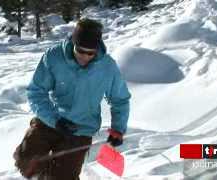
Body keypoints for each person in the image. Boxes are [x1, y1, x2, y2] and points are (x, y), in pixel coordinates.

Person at [13, 18, 131, 180]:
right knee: (25, 160)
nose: (85, 56)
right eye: (80, 51)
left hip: (81, 129)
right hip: (51, 120)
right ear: (73, 43)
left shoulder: (107, 67)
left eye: (90, 53)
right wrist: (54, 120)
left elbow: (120, 99)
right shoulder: (54, 57)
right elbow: (36, 92)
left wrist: (118, 129)